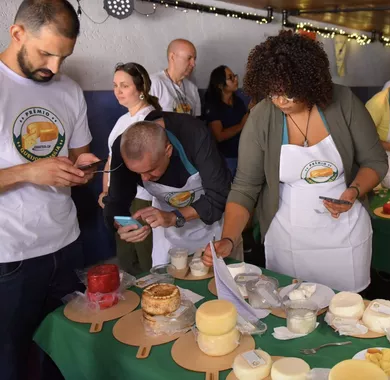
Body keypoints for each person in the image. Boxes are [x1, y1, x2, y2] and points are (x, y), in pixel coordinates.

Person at [202, 31, 388, 292]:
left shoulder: (344, 102)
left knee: (345, 314)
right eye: (273, 94)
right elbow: (245, 186)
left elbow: (375, 161)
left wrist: (353, 191)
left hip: (344, 235)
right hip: (288, 237)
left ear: (309, 83)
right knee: (290, 306)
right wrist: (229, 239)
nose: (280, 102)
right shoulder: (262, 117)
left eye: (289, 94)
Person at [0, 1, 98, 379]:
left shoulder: (68, 89)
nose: (54, 68)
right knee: (10, 360)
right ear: (17, 33)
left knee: (65, 355)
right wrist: (28, 172)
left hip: (66, 244)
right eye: (46, 53)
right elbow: (37, 171)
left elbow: (79, 156)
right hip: (10, 258)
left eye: (64, 57)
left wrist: (82, 171)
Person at [103, 112, 240, 266]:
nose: (144, 179)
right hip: (167, 230)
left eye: (151, 170)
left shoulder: (194, 135)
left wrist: (174, 217)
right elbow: (115, 202)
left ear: (168, 150)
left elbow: (218, 197)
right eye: (137, 173)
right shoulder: (124, 147)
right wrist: (124, 226)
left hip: (214, 226)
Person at [98, 63, 161, 275]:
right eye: (115, 85)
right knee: (125, 253)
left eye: (124, 85)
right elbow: (110, 159)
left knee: (145, 253)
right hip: (119, 198)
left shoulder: (151, 120)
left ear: (141, 89)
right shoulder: (122, 120)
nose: (118, 91)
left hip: (141, 197)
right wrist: (106, 192)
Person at [204, 65, 250, 177]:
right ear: (220, 85)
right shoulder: (213, 105)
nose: (235, 80)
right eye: (231, 78)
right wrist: (241, 125)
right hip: (225, 158)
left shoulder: (238, 101)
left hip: (243, 153)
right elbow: (219, 136)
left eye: (235, 76)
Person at [150, 39, 201, 116]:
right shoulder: (154, 83)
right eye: (189, 58)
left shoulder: (192, 88)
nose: (193, 64)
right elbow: (146, 122)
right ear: (172, 57)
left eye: (194, 59)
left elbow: (197, 120)